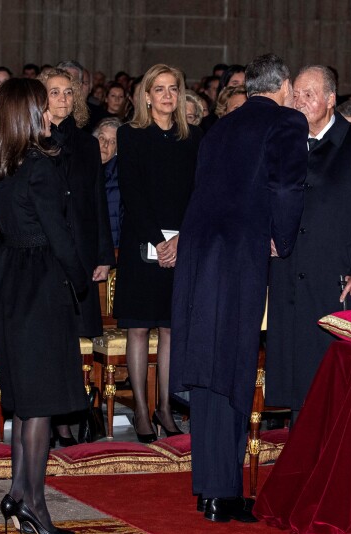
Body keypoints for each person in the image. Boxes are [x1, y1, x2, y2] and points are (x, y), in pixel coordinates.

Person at [170, 52, 308, 523]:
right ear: (284, 85)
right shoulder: (286, 121)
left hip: (199, 256)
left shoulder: (220, 126)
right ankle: (222, 493)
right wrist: (281, 239)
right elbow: (289, 188)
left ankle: (212, 490)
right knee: (234, 366)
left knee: (210, 370)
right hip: (238, 257)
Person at [265, 65, 351, 418]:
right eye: (295, 95)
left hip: (340, 286)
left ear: (330, 100)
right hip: (291, 283)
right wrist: (269, 236)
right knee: (300, 394)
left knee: (340, 392)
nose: (300, 101)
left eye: (309, 95)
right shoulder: (283, 145)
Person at [0, 78, 86, 534]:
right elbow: (59, 236)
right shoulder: (39, 168)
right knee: (40, 402)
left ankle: (18, 494)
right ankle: (36, 507)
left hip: (9, 279)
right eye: (43, 110)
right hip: (41, 282)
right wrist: (80, 279)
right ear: (27, 115)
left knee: (25, 402)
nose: (50, 117)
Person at [113, 63, 202, 443]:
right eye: (160, 89)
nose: (167, 96)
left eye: (173, 89)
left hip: (182, 241)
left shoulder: (193, 137)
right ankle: (141, 410)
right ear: (146, 96)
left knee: (170, 327)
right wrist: (157, 241)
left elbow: (200, 192)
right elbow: (132, 193)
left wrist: (180, 239)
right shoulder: (130, 135)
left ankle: (165, 406)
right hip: (142, 240)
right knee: (138, 327)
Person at [39, 67, 114, 446]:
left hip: (81, 250)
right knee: (50, 338)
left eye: (69, 93)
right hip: (44, 252)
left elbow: (97, 200)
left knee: (74, 341)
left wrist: (102, 252)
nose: (64, 99)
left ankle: (67, 420)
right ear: (42, 98)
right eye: (55, 93)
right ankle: (51, 419)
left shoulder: (85, 143)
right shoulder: (32, 139)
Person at [93, 117, 123, 248]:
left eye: (112, 142)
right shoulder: (80, 169)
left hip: (113, 248)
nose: (105, 145)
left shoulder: (121, 176)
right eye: (102, 138)